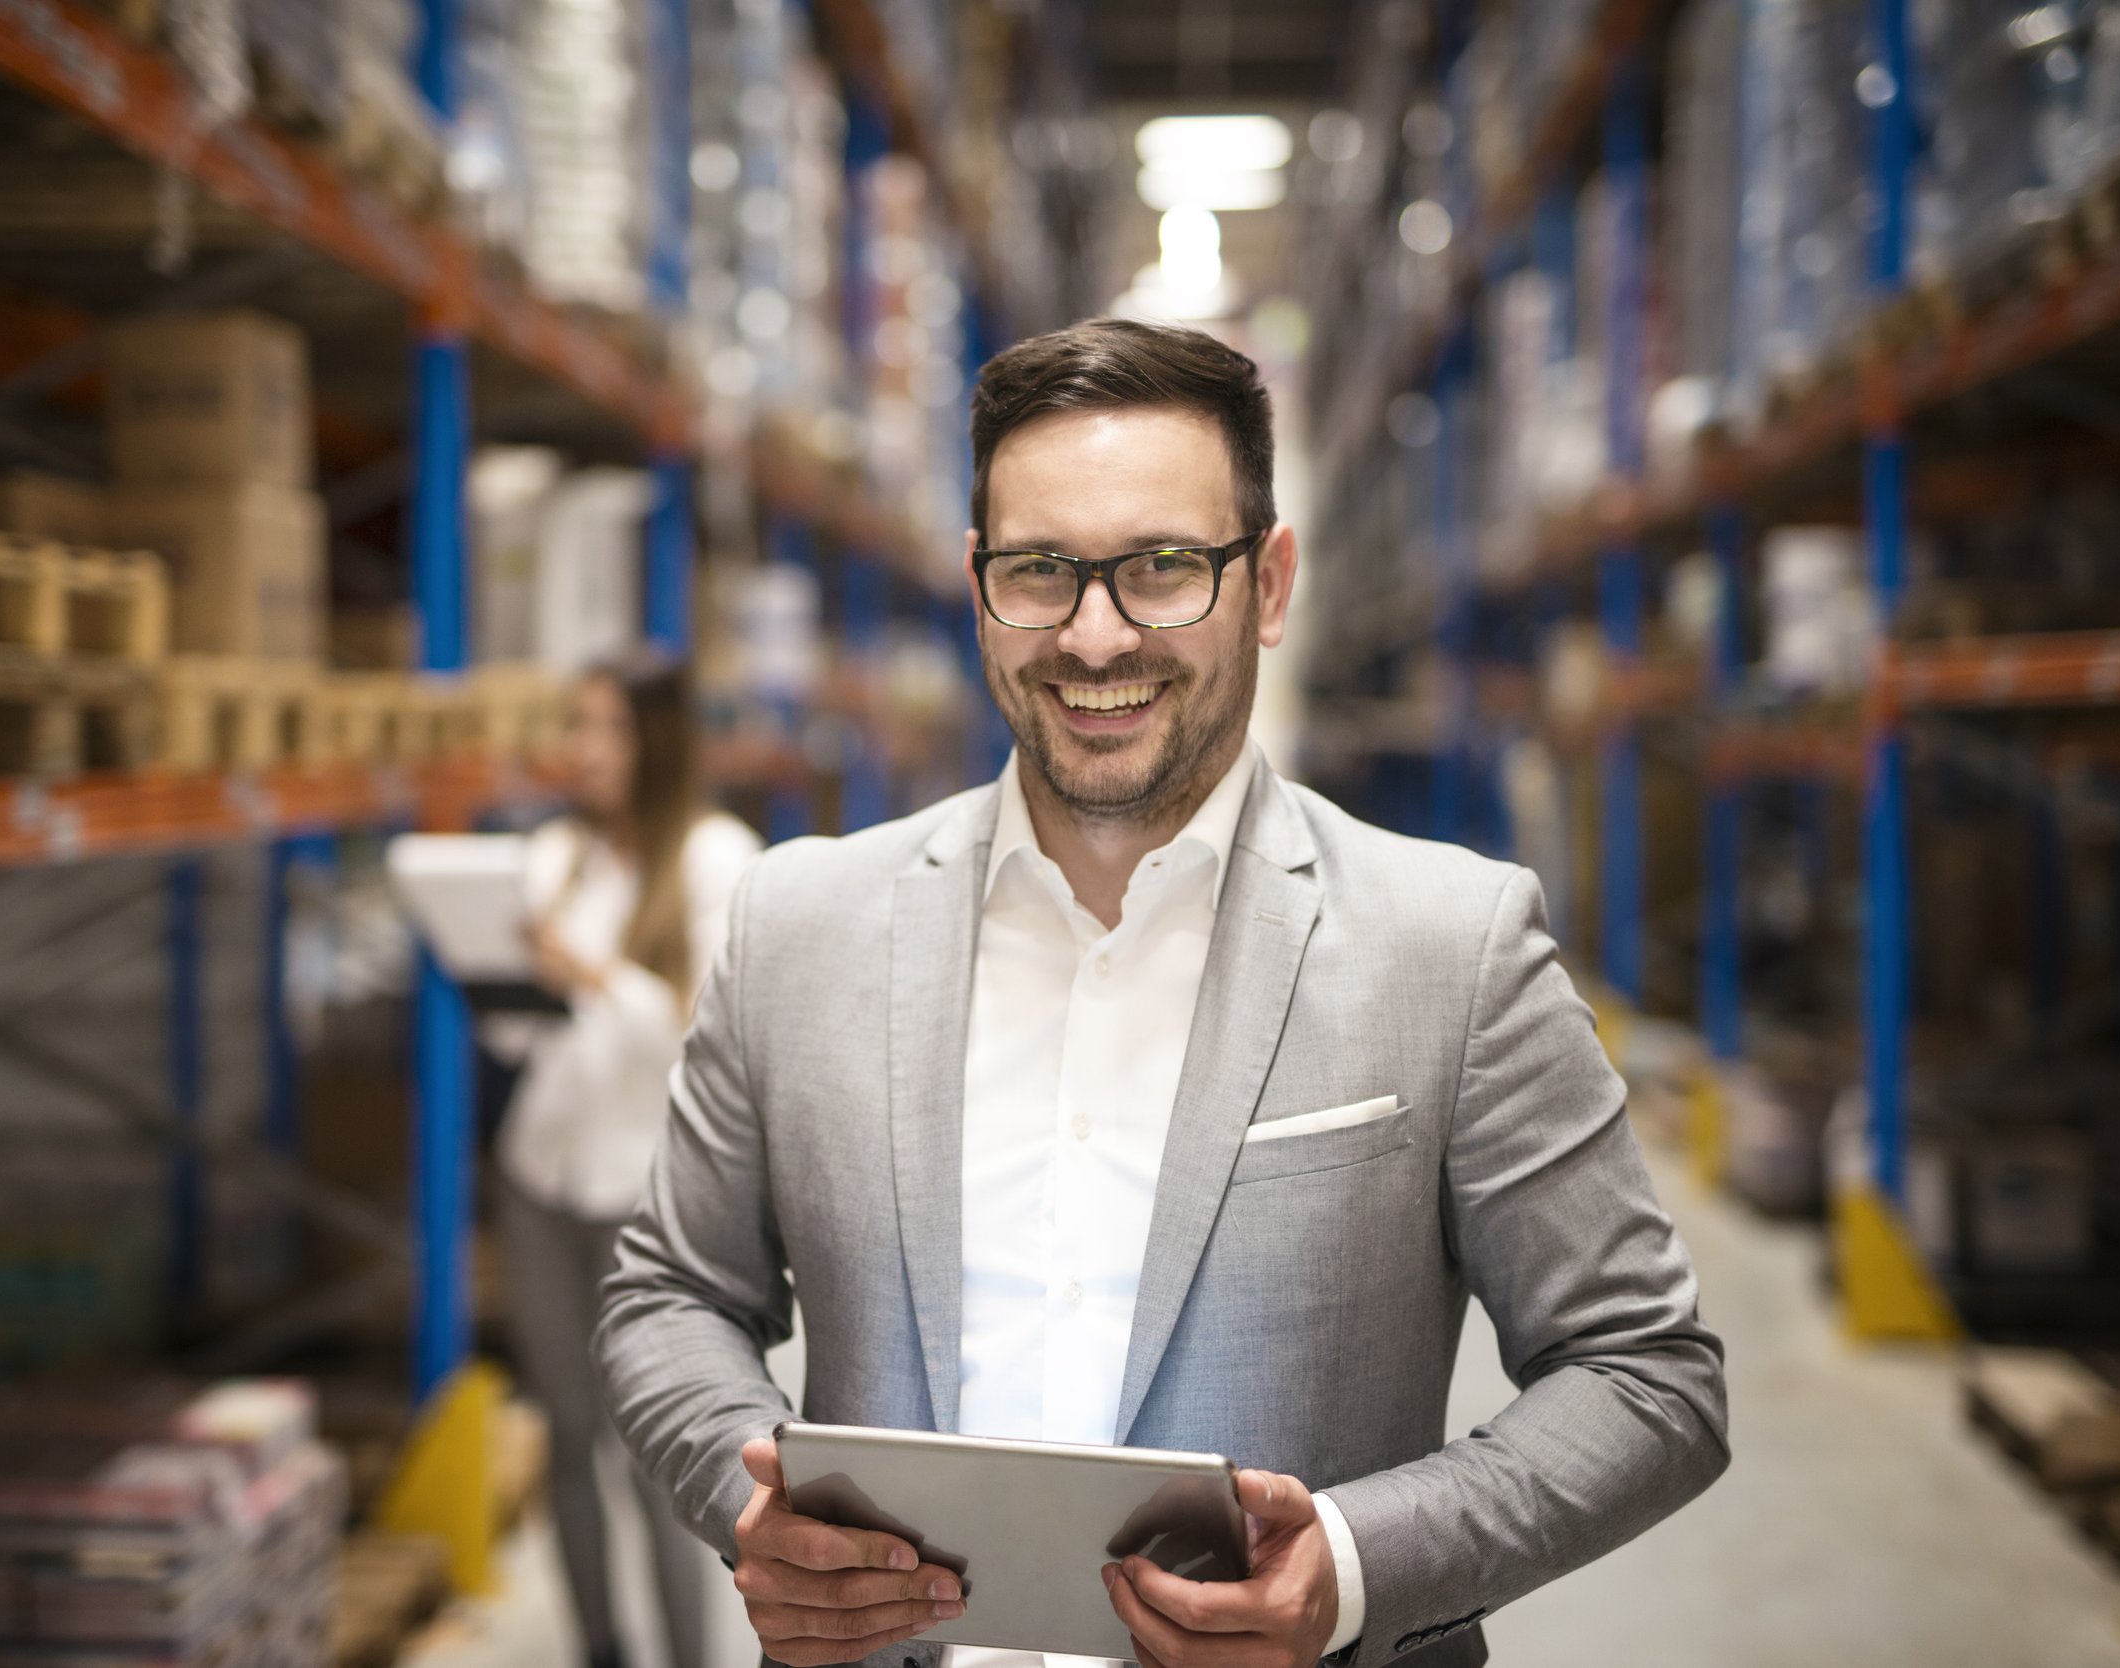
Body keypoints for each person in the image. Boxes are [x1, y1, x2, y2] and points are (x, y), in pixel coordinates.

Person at [595, 318, 1730, 1668]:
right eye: (1040, 572)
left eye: (1164, 569)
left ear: (1271, 584)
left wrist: (1355, 1569)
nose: (1093, 634)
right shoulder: (802, 926)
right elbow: (670, 1293)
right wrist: (753, 1511)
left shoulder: (1452, 946)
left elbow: (1646, 1372)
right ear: (976, 584)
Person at [490, 651, 760, 1668]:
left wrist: (593, 973)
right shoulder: (554, 855)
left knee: (659, 1456)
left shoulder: (713, 858)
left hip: (642, 1196)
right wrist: (505, 982)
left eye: (605, 727)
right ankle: (599, 1648)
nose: (583, 750)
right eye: (577, 726)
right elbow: (522, 1044)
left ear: (657, 738)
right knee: (566, 1432)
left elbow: (710, 1039)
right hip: (541, 1175)